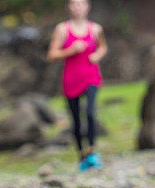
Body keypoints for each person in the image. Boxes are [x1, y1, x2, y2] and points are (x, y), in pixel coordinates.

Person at [47, 0, 108, 171]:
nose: (77, 8)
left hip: (91, 76)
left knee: (89, 111)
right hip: (71, 78)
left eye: (80, 4)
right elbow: (51, 54)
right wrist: (70, 50)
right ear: (69, 7)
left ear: (87, 7)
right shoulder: (62, 29)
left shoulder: (96, 29)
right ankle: (82, 155)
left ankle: (93, 152)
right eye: (74, 4)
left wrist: (97, 55)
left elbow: (103, 47)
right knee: (75, 119)